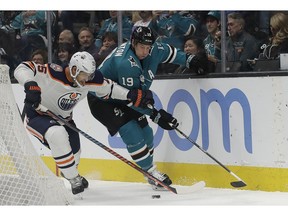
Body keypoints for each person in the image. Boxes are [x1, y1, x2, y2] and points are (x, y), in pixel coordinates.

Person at [14, 51, 154, 195]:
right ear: (74, 69)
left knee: (75, 155)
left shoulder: (88, 80)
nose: (87, 79)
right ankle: (73, 178)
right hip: (37, 115)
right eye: (85, 75)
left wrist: (129, 95)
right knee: (57, 134)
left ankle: (71, 172)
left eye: (90, 75)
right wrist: (30, 84)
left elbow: (109, 88)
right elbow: (22, 68)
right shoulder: (53, 73)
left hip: (64, 119)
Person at [87, 26, 208, 191]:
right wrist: (156, 115)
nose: (145, 51)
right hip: (102, 99)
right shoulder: (125, 63)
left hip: (125, 95)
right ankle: (151, 172)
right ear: (133, 43)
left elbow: (172, 54)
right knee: (131, 131)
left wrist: (191, 60)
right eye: (142, 47)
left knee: (147, 133)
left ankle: (149, 171)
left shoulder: (155, 49)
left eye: (148, 47)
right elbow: (135, 100)